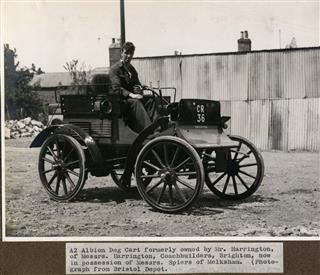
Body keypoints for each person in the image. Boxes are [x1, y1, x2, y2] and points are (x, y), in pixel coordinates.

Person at [109, 41, 153, 133]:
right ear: (121, 53)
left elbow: (137, 84)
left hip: (131, 100)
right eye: (126, 53)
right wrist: (132, 95)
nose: (129, 56)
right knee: (136, 102)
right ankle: (148, 131)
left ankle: (158, 128)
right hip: (121, 101)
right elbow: (117, 89)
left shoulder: (132, 69)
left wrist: (139, 88)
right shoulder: (115, 69)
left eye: (131, 53)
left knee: (150, 100)